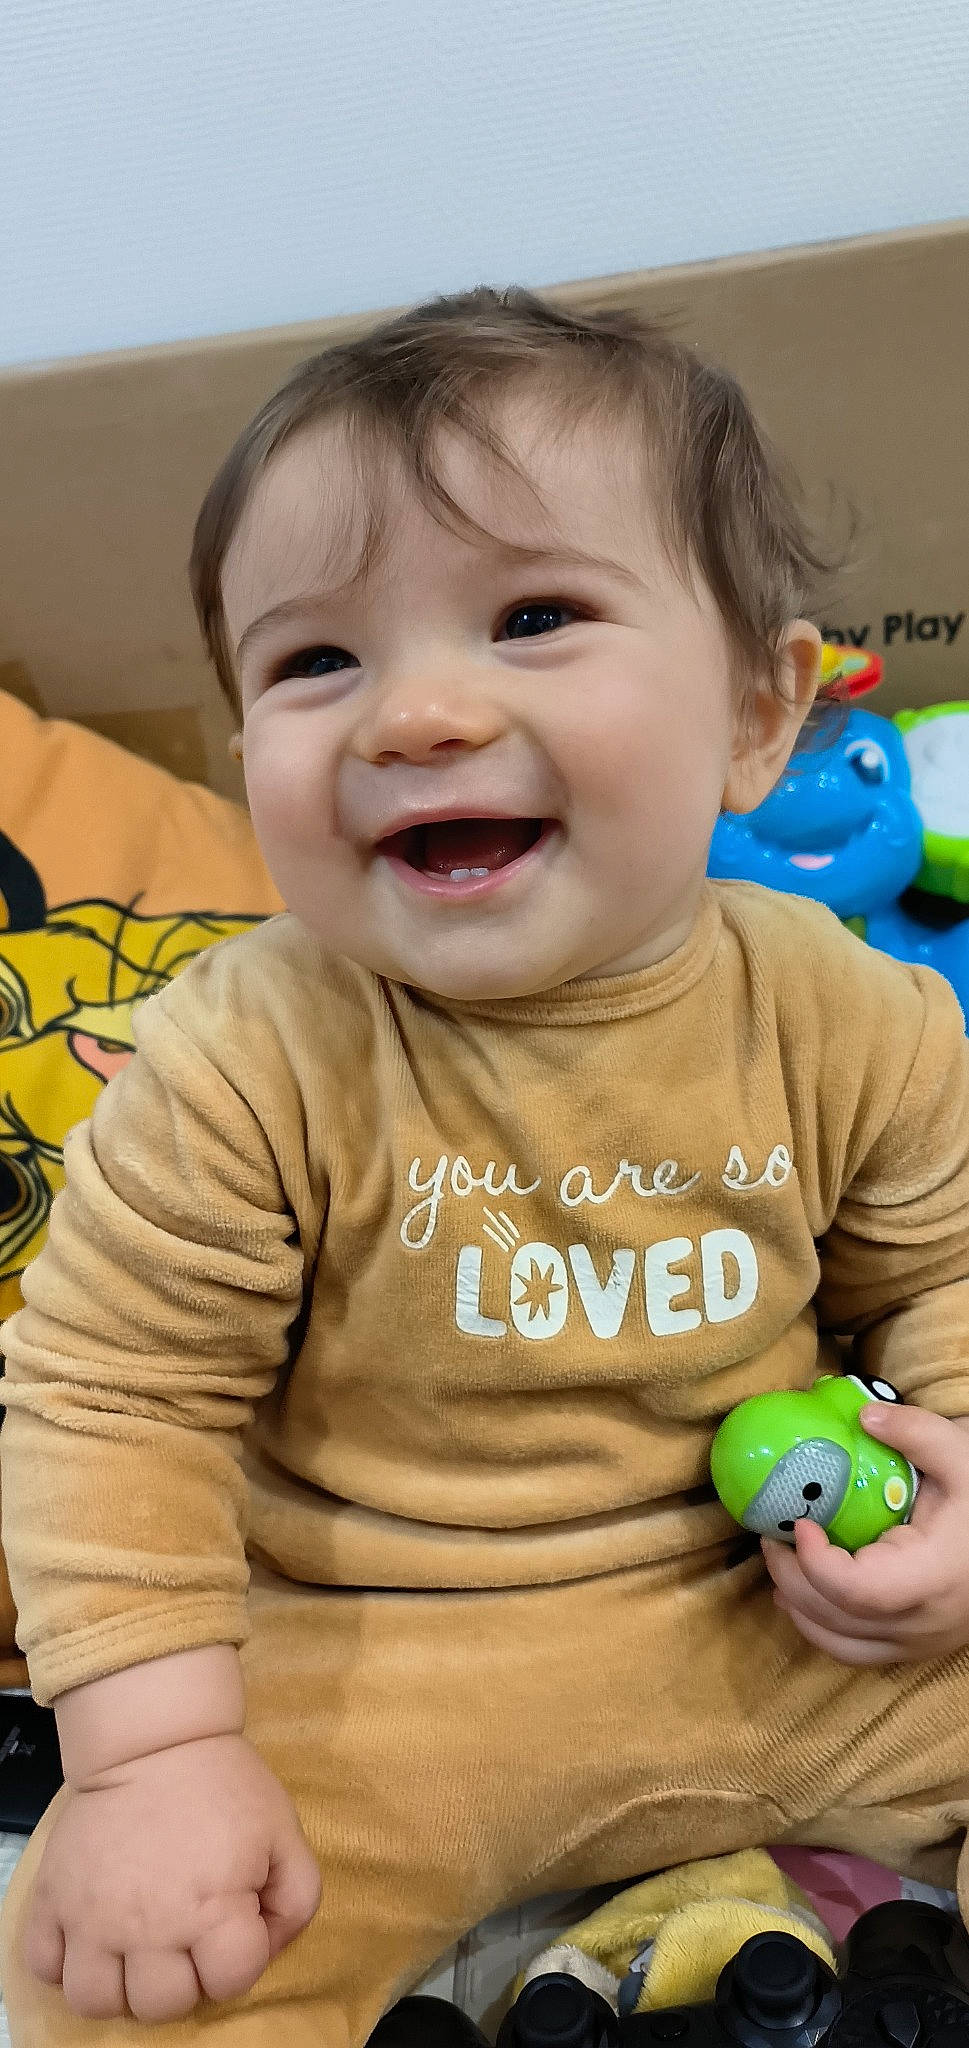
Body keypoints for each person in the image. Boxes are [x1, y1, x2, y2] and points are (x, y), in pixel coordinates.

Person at [2, 287, 969, 2048]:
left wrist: (960, 1501)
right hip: (388, 1667)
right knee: (129, 1964)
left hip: (794, 1619)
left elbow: (946, 1278)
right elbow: (113, 1399)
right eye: (315, 662)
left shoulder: (845, 1009)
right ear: (245, 750)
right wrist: (151, 1756)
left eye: (532, 619)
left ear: (757, 716)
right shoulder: (241, 1055)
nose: (415, 715)